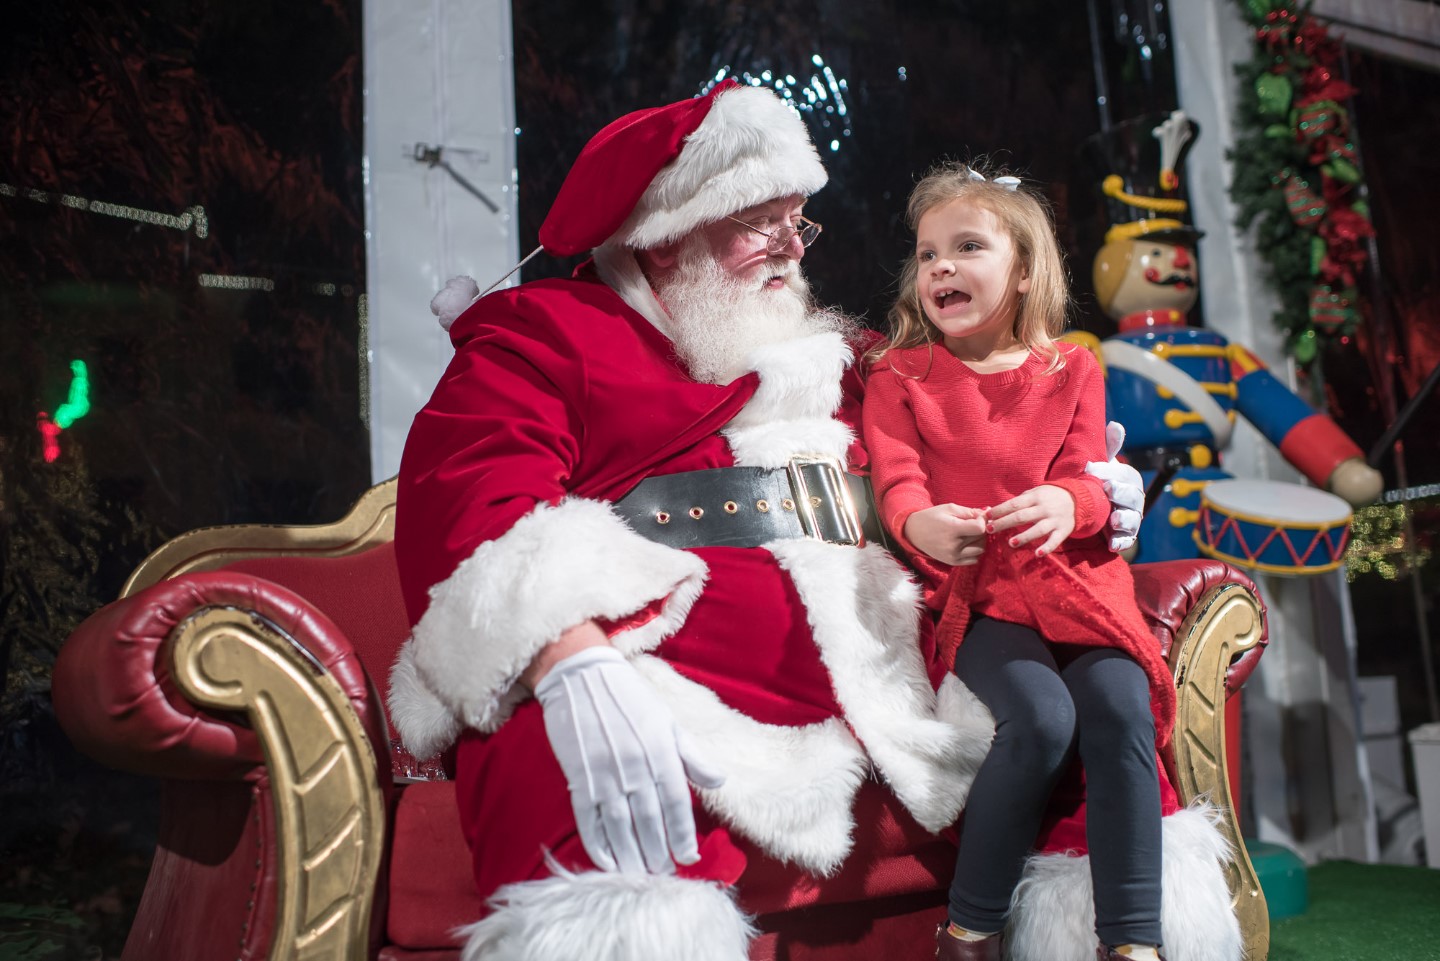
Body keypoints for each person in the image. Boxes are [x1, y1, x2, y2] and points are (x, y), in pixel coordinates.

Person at [384, 83, 1202, 961]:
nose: (789, 247)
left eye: (797, 221)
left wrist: (1088, 491)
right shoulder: (544, 332)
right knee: (571, 771)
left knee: (1087, 705)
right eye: (757, 221)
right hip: (673, 665)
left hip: (895, 652)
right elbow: (474, 497)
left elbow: (969, 436)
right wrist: (568, 653)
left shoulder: (837, 354)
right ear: (665, 237)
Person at [863, 162, 1204, 961]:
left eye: (967, 246)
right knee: (1043, 717)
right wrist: (920, 524)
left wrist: (1070, 505)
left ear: (1022, 270)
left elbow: (1088, 475)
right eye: (927, 253)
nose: (940, 265)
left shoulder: (1071, 368)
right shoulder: (902, 375)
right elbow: (897, 482)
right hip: (982, 597)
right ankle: (969, 930)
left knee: (1120, 707)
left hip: (1079, 587)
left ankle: (1133, 944)